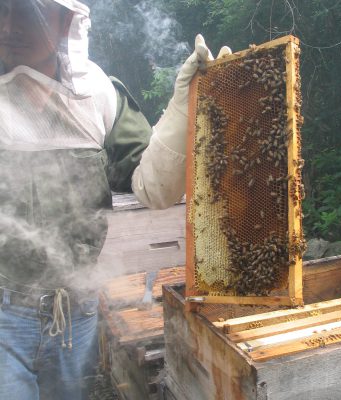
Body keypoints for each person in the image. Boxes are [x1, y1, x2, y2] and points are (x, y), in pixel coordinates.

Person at [0, 0, 231, 399]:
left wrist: (183, 105)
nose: (7, 26)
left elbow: (154, 187)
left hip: (78, 312)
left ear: (67, 20)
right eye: (1, 12)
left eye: (23, 11)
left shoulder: (99, 93)